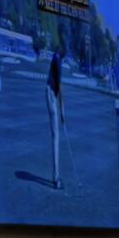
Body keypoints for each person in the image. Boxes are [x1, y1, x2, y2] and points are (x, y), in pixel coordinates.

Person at [43, 47, 67, 189]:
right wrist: (62, 111)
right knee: (56, 136)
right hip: (50, 94)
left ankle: (56, 177)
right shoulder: (58, 60)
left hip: (51, 93)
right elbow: (59, 88)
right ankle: (56, 178)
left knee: (56, 136)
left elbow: (58, 88)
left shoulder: (57, 57)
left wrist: (62, 110)